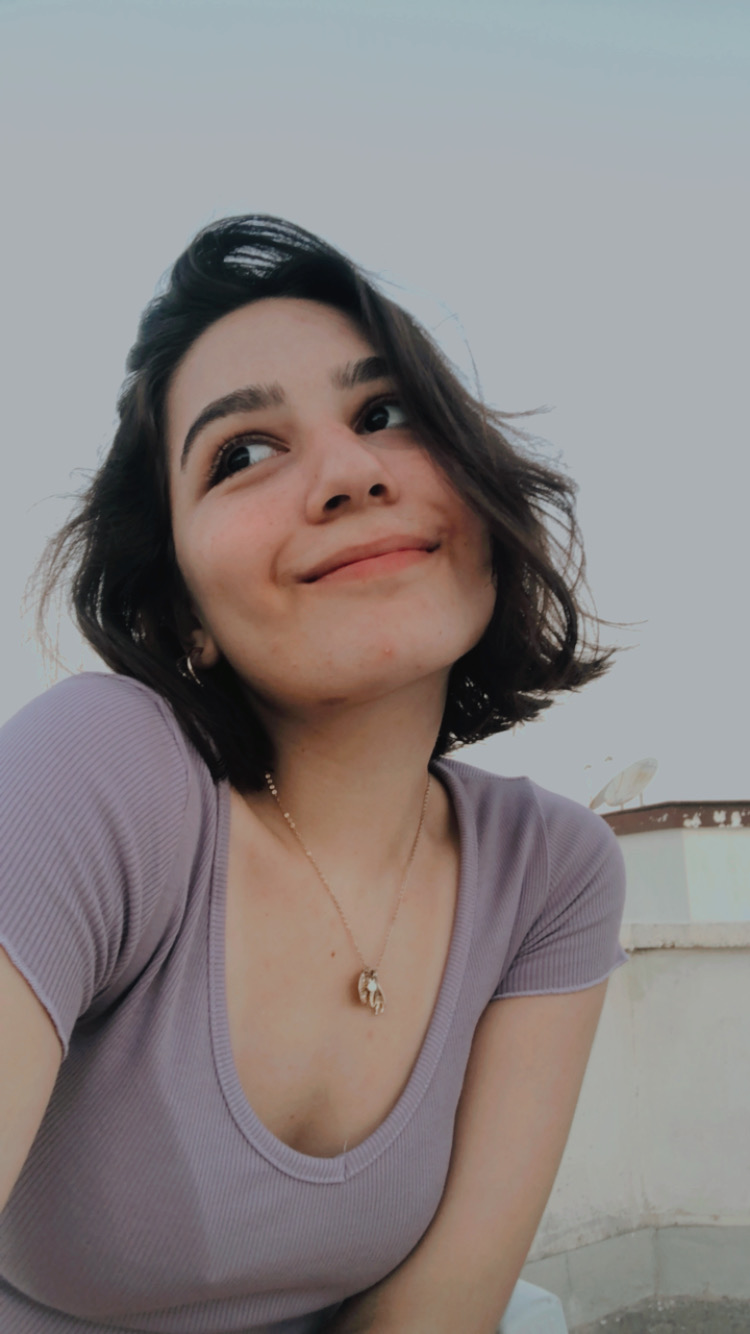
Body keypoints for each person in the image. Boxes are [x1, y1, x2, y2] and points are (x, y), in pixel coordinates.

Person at [0, 215, 629, 1334]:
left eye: (387, 414)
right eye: (242, 453)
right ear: (182, 611)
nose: (349, 473)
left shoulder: (551, 872)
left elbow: (436, 1314)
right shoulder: (96, 773)